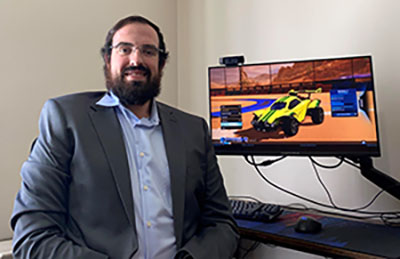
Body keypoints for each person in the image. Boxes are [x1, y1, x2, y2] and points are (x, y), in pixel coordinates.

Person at [11, 15, 239, 259]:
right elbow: (32, 237)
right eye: (125, 49)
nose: (136, 59)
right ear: (108, 59)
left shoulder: (193, 130)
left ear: (161, 64)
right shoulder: (66, 120)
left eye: (149, 51)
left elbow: (222, 224)